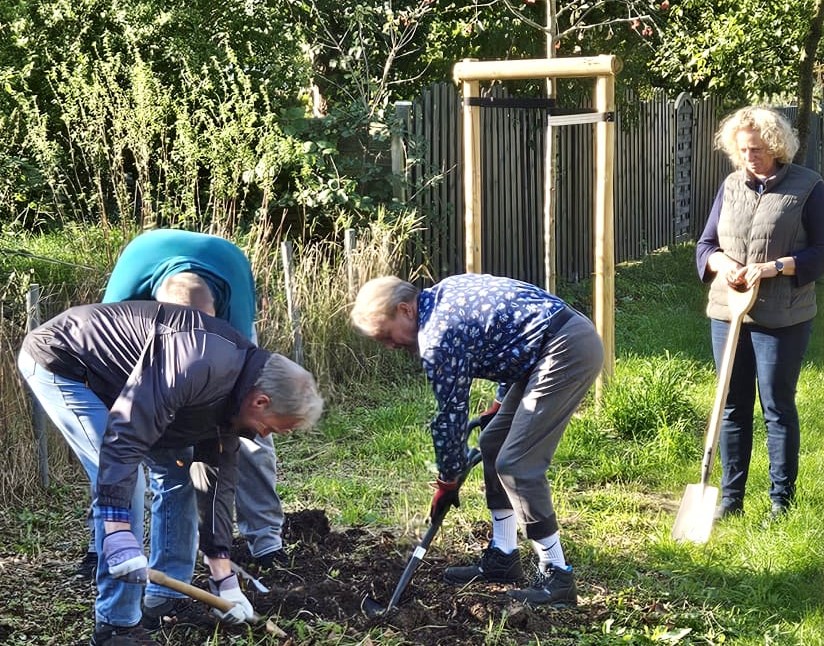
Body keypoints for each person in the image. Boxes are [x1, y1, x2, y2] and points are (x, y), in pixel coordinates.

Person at [18, 300, 323, 646]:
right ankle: (116, 628)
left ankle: (165, 598)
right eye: (272, 428)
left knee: (180, 476)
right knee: (126, 483)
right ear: (261, 402)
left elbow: (214, 483)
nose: (264, 436)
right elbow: (128, 432)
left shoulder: (236, 392)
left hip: (132, 387)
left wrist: (223, 576)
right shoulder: (197, 362)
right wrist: (117, 529)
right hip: (69, 363)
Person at [350, 274, 603, 606]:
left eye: (386, 335)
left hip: (565, 349)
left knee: (517, 464)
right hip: (547, 346)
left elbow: (451, 416)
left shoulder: (437, 336)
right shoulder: (444, 294)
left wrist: (447, 480)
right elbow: (508, 333)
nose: (389, 346)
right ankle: (503, 555)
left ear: (405, 310)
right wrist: (498, 404)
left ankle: (557, 575)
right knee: (492, 442)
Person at [80, 228, 288, 577]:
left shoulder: (232, 298)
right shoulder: (126, 295)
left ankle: (266, 541)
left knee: (252, 424)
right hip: (147, 335)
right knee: (110, 438)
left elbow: (244, 381)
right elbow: (105, 370)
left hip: (226, 316)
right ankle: (100, 541)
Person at [696, 106, 824, 523]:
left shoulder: (808, 186)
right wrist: (723, 264)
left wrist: (775, 267)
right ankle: (730, 500)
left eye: (758, 149)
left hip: (783, 315)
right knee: (731, 405)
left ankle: (780, 503)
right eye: (743, 150)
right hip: (728, 311)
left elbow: (820, 253)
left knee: (776, 406)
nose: (750, 157)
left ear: (776, 146)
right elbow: (706, 245)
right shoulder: (731, 185)